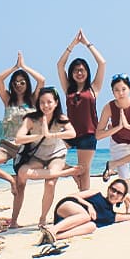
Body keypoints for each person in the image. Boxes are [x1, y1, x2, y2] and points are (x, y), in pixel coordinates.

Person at [11, 87, 82, 228]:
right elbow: (18, 138)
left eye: (49, 102)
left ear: (56, 103)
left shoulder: (61, 118)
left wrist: (52, 135)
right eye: (42, 102)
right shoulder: (31, 119)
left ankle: (42, 218)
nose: (46, 105)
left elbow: (72, 133)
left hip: (56, 154)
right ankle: (66, 172)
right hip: (37, 156)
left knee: (50, 184)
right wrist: (40, 135)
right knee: (22, 173)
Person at [0, 51, 45, 193]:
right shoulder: (8, 100)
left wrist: (24, 66)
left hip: (28, 146)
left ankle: (16, 207)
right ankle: (10, 179)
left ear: (27, 84)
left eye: (22, 82)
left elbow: (41, 80)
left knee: (21, 187)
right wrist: (15, 67)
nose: (18, 85)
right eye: (15, 82)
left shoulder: (33, 100)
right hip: (8, 145)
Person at [57, 28, 106, 191]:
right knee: (49, 155)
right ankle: (72, 172)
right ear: (71, 73)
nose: (79, 73)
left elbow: (102, 63)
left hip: (88, 134)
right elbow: (60, 65)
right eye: (76, 70)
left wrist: (86, 43)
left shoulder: (93, 89)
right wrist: (72, 44)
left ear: (87, 72)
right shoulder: (68, 89)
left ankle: (84, 201)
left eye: (82, 70)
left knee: (84, 172)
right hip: (69, 133)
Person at [38, 179, 130, 243]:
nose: (114, 194)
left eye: (119, 193)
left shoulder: (112, 216)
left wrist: (128, 196)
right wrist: (88, 205)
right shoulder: (96, 193)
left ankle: (54, 236)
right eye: (113, 189)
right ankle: (52, 230)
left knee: (92, 226)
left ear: (122, 198)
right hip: (67, 207)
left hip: (70, 224)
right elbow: (72, 196)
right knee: (86, 216)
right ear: (108, 189)